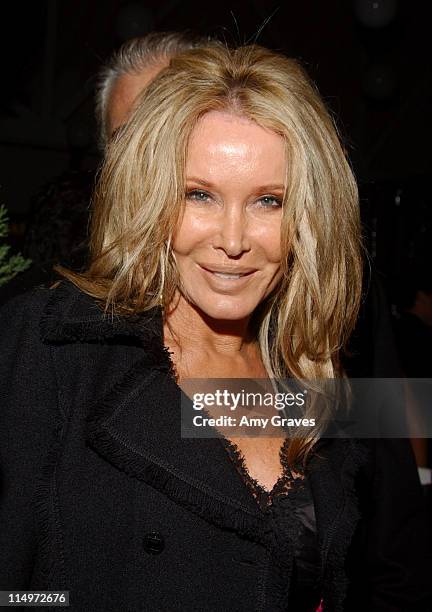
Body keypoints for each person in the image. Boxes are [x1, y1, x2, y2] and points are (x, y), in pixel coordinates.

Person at [0, 44, 430, 611]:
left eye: (269, 201)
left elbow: (392, 543)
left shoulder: (314, 362)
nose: (232, 240)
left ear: (306, 217)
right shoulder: (53, 344)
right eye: (198, 194)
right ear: (150, 195)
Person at [0, 31, 207, 305]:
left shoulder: (270, 297)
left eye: (170, 133)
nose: (152, 160)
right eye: (128, 140)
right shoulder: (43, 314)